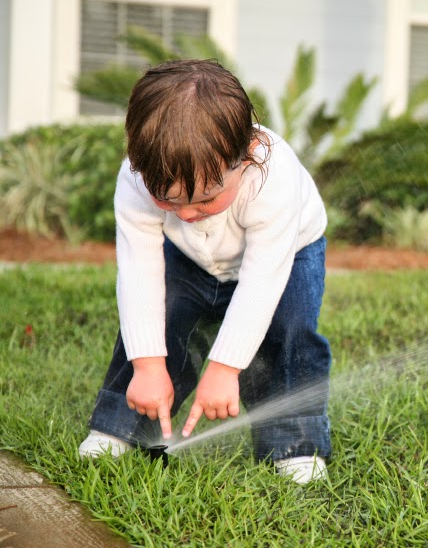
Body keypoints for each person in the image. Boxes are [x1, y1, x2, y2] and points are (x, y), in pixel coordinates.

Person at [78, 59, 332, 484]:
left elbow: (261, 283)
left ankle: (294, 442)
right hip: (189, 256)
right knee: (163, 318)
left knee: (289, 331)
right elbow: (139, 273)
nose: (186, 213)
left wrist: (225, 368)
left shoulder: (273, 180)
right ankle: (121, 426)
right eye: (168, 200)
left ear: (248, 155)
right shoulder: (135, 181)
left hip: (285, 256)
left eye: (206, 199)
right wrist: (148, 366)